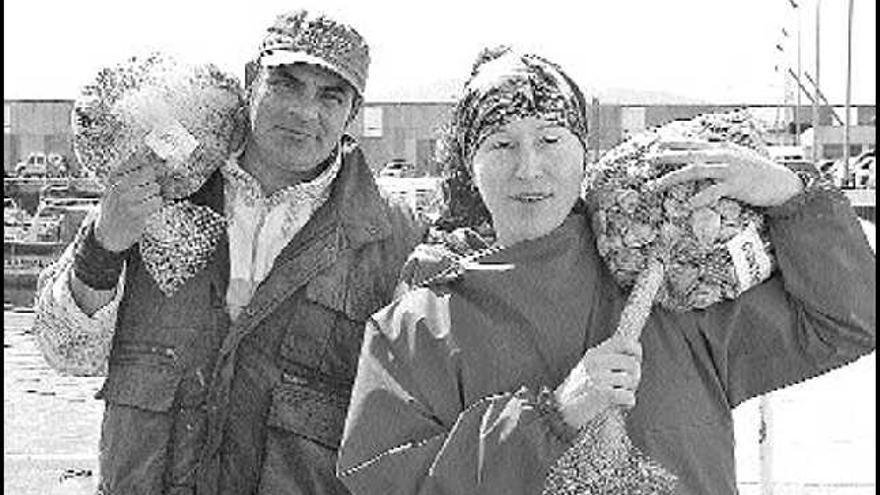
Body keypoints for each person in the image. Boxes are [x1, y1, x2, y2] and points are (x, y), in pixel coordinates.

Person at [336, 47, 876, 495]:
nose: (529, 167)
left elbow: (847, 323)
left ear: (584, 153)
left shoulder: (666, 285)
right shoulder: (416, 328)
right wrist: (551, 420)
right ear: (468, 165)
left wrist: (791, 196)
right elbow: (383, 482)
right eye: (501, 145)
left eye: (550, 139)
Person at [33, 10, 425, 495]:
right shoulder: (159, 192)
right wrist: (104, 245)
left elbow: (412, 433)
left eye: (330, 95)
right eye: (285, 83)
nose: (305, 112)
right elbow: (66, 353)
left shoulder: (394, 241)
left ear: (353, 113)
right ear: (250, 80)